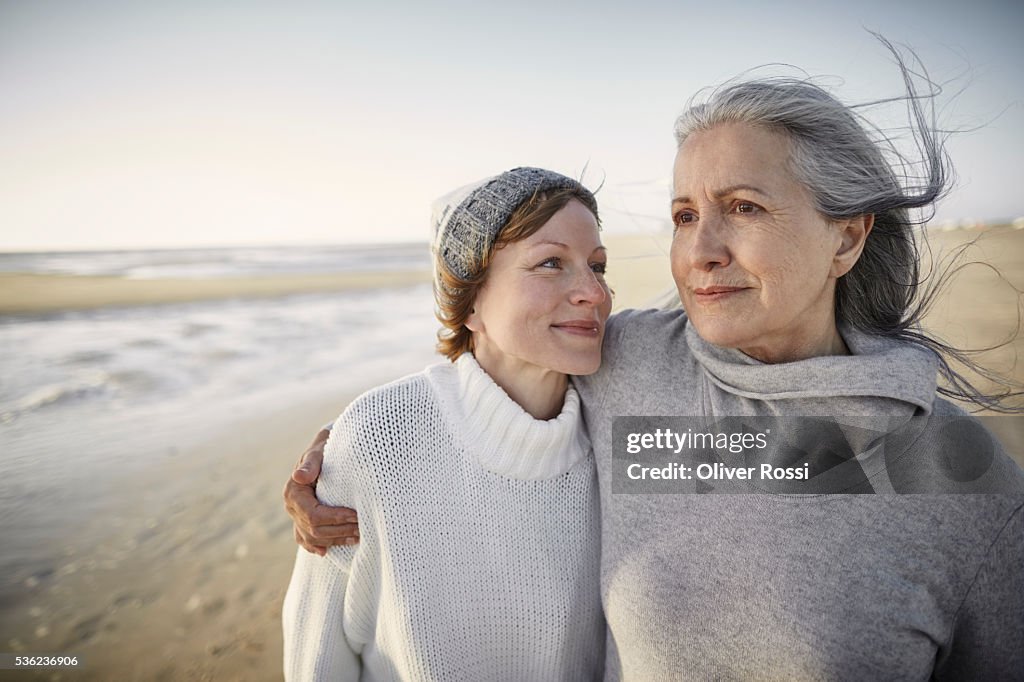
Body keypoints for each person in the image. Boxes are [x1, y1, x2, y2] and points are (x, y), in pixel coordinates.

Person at [285, 43, 1024, 679]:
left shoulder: (964, 479)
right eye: (683, 217)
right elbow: (503, 356)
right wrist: (356, 455)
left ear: (847, 238)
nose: (701, 253)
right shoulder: (634, 369)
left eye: (744, 207)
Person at [282, 167, 611, 681]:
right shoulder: (378, 436)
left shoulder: (620, 429)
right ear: (470, 303)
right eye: (551, 263)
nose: (594, 292)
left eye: (598, 266)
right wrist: (342, 450)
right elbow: (317, 650)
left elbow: (776, 456)